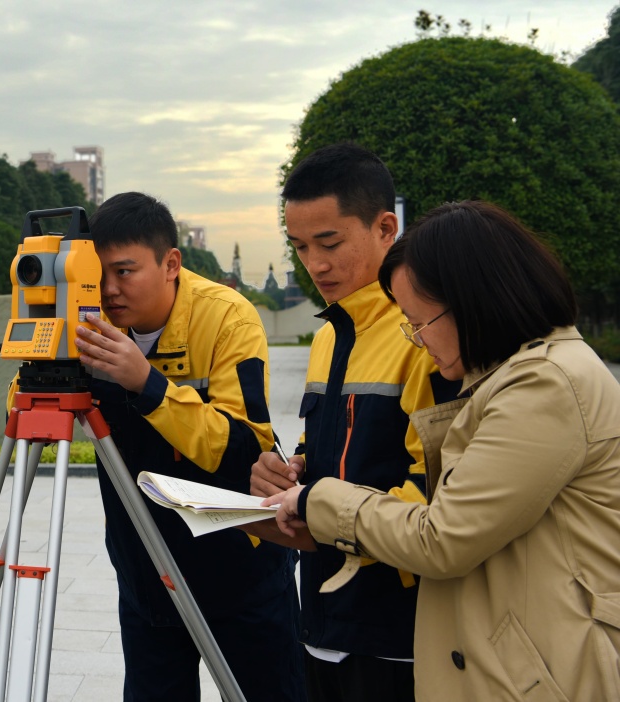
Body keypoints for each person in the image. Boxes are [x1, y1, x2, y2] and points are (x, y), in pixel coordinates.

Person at [264, 199, 620, 700]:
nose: (416, 339)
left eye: (420, 321)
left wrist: (315, 500)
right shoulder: (508, 377)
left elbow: (444, 538)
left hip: (546, 670)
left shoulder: (544, 385)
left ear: (474, 300)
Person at [246, 142, 460, 702]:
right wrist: (290, 471)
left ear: (386, 227)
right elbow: (325, 449)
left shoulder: (425, 334)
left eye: (330, 243)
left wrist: (317, 514)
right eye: (299, 247)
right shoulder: (327, 336)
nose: (314, 264)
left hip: (399, 633)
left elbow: (438, 495)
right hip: (321, 621)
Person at [71, 192, 304, 701]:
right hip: (146, 570)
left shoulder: (227, 317)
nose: (109, 290)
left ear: (171, 263)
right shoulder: (86, 320)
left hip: (239, 574)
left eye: (125, 271)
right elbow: (25, 414)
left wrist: (147, 384)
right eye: (98, 274)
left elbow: (245, 448)